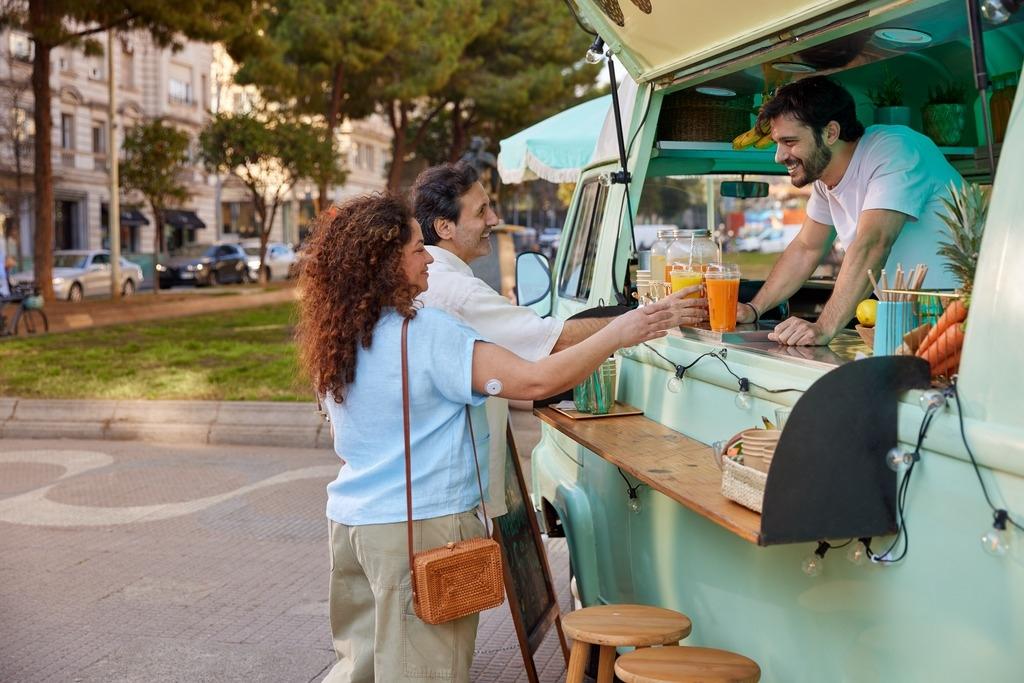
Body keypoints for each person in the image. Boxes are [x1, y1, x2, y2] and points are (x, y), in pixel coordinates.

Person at [297, 193, 678, 683]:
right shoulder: (429, 331)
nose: (428, 257)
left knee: (360, 670)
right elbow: (536, 381)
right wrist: (617, 333)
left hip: (353, 526)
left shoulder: (338, 336)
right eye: (417, 248)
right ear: (386, 262)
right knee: (426, 672)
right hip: (421, 531)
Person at [412, 161, 707, 516]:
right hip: (443, 495)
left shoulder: (434, 283)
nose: (493, 219)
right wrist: (639, 318)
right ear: (445, 226)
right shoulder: (458, 290)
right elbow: (552, 347)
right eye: (482, 211)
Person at [736, 76, 961, 346]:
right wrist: (753, 309)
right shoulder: (825, 180)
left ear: (830, 133)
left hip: (964, 315)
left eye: (790, 142)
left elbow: (873, 243)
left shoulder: (893, 150)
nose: (779, 156)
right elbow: (806, 248)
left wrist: (823, 328)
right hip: (912, 322)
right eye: (777, 143)